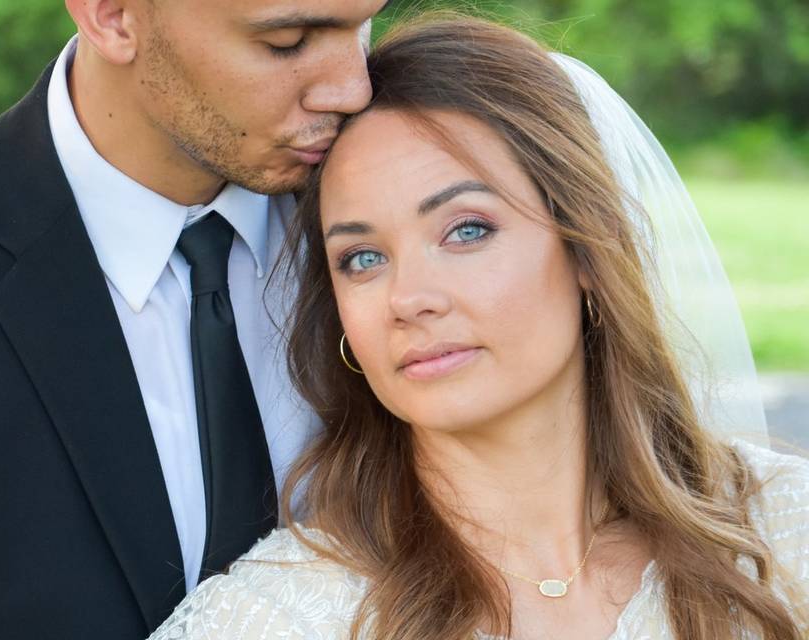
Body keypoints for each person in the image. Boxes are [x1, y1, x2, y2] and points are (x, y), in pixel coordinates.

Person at [149, 16, 809, 640]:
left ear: (587, 250)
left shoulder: (785, 528)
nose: (408, 299)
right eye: (363, 258)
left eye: (467, 231)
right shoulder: (275, 616)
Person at [0, 1, 388, 638]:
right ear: (112, 16)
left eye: (361, 24)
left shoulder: (410, 212)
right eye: (287, 41)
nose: (355, 88)